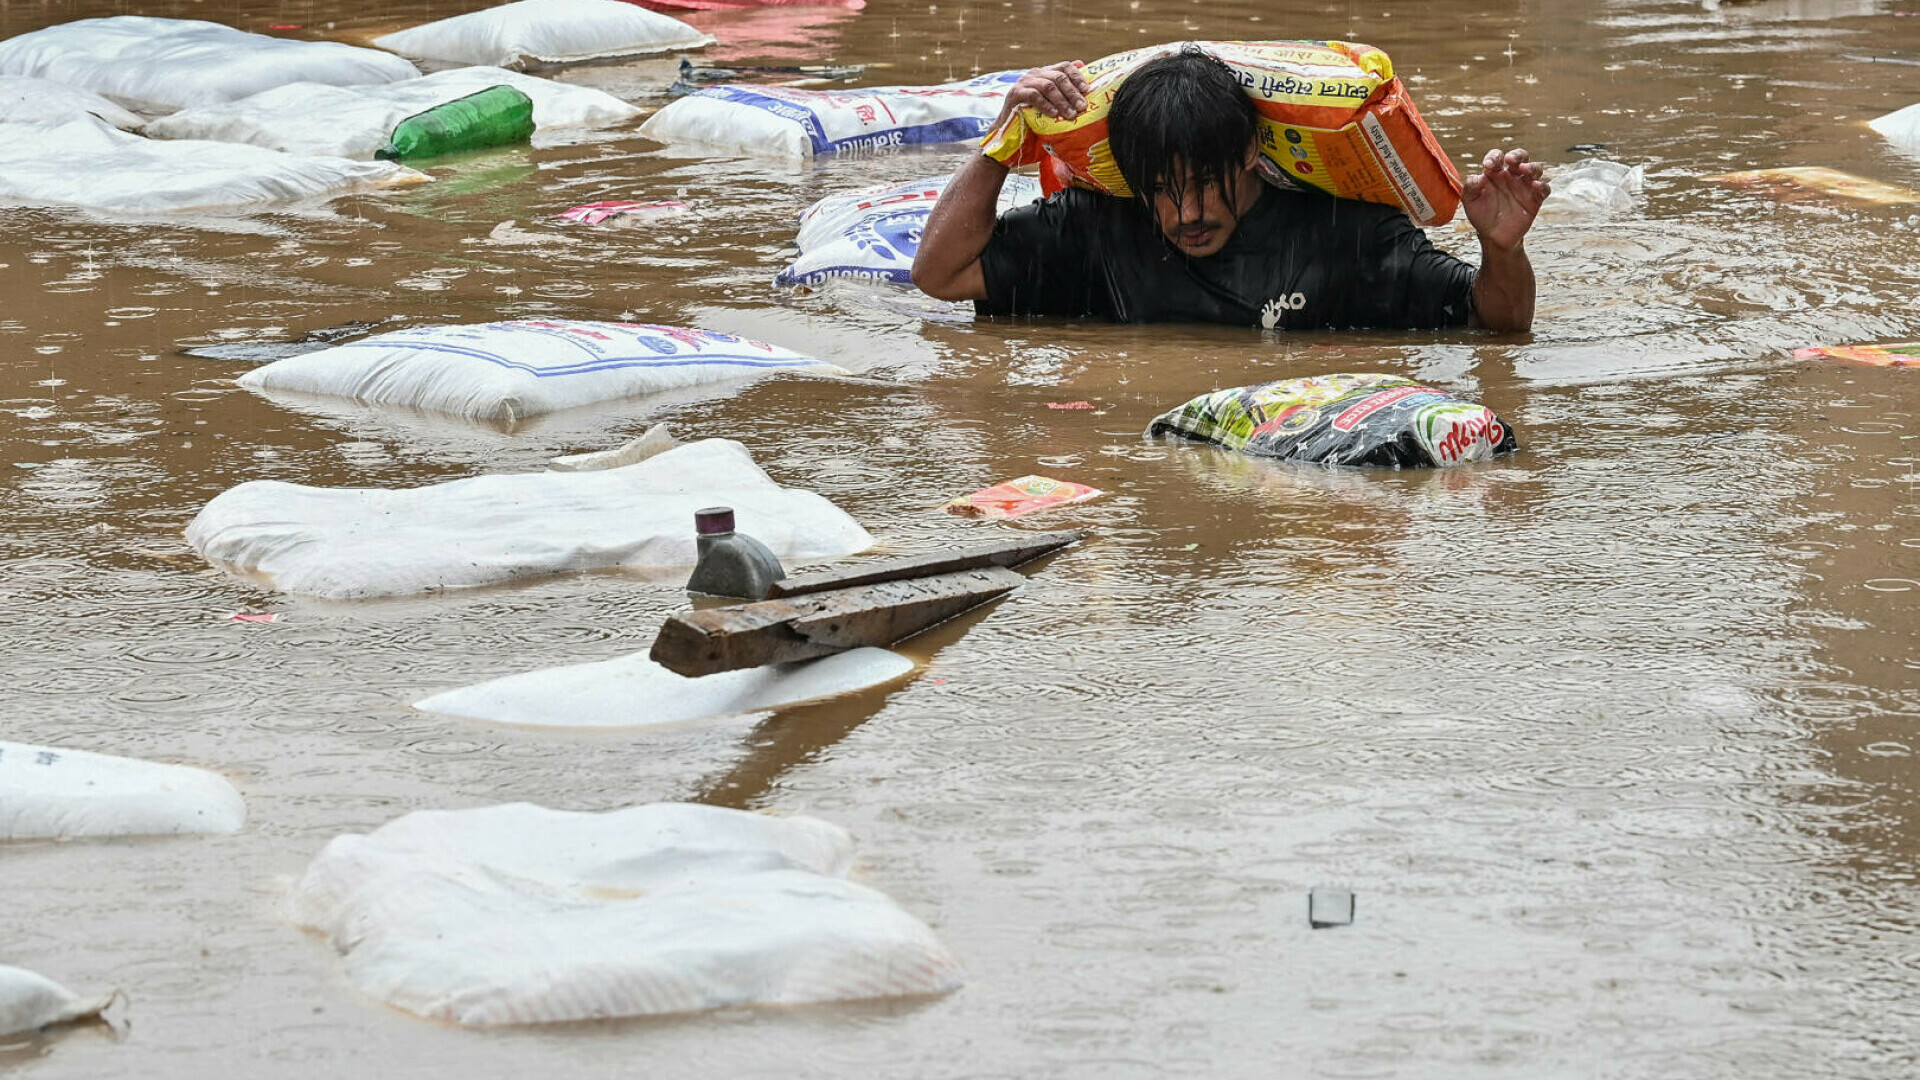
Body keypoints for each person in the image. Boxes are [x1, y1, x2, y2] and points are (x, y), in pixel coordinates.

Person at [911, 46, 1548, 332]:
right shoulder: (1096, 228)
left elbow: (1499, 324)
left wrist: (1501, 249)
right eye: (1160, 190)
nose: (1186, 212)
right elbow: (939, 275)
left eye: (1202, 184)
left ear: (1249, 153)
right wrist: (1002, 139)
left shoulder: (1346, 236)